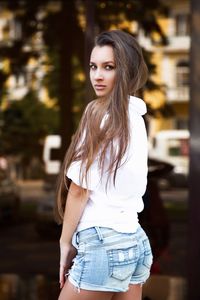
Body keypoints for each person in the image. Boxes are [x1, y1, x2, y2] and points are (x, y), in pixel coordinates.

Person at [55, 30, 153, 300]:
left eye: (108, 67)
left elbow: (79, 189)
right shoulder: (136, 116)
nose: (97, 75)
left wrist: (65, 243)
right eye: (93, 66)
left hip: (104, 241)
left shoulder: (98, 114)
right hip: (135, 241)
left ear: (126, 70)